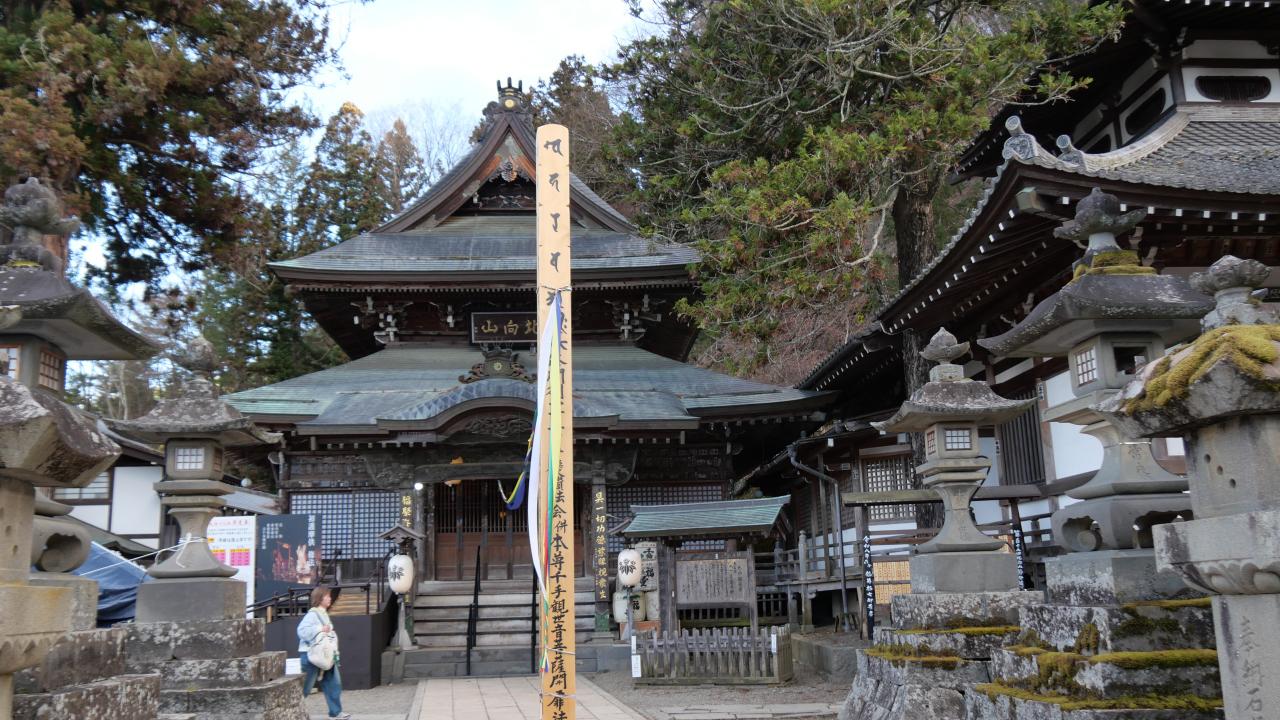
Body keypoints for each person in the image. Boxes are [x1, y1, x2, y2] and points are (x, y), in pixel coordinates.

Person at [298, 586, 350, 719]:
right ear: (320, 598)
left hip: (323, 654)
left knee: (333, 683)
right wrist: (320, 629)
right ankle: (293, 711)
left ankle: (336, 712)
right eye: (327, 596)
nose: (330, 598)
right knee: (306, 687)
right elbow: (301, 631)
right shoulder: (312, 614)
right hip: (312, 655)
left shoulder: (322, 613)